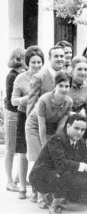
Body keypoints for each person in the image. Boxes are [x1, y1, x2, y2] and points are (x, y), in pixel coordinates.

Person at [29, 114, 87, 214]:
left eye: (82, 130)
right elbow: (61, 164)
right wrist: (85, 167)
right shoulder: (57, 139)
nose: (79, 132)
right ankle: (54, 205)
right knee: (66, 172)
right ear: (68, 126)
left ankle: (57, 196)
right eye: (76, 128)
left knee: (84, 176)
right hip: (40, 177)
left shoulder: (80, 142)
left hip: (57, 174)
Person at [25, 71, 73, 208]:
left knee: (52, 158)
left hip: (52, 128)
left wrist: (54, 144)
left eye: (67, 86)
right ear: (55, 85)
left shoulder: (69, 101)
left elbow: (61, 126)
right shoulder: (44, 100)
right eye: (61, 86)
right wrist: (45, 146)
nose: (64, 89)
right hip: (35, 128)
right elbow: (41, 126)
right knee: (40, 159)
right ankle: (40, 195)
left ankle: (48, 192)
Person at [11, 45, 44, 199]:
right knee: (23, 152)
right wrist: (28, 98)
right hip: (25, 116)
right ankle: (23, 187)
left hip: (42, 117)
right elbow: (13, 101)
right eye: (33, 63)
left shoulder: (45, 76)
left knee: (40, 152)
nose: (37, 66)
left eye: (39, 62)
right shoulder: (20, 78)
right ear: (27, 63)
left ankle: (38, 187)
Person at [3, 48, 25, 193]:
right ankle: (9, 181)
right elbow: (13, 100)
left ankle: (19, 177)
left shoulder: (22, 75)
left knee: (21, 147)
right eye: (22, 57)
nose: (24, 60)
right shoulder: (12, 76)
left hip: (21, 113)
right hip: (12, 113)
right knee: (11, 148)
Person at [26, 45, 65, 115]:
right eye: (56, 56)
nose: (59, 59)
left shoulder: (68, 76)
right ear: (49, 58)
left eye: (62, 56)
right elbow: (31, 105)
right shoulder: (38, 78)